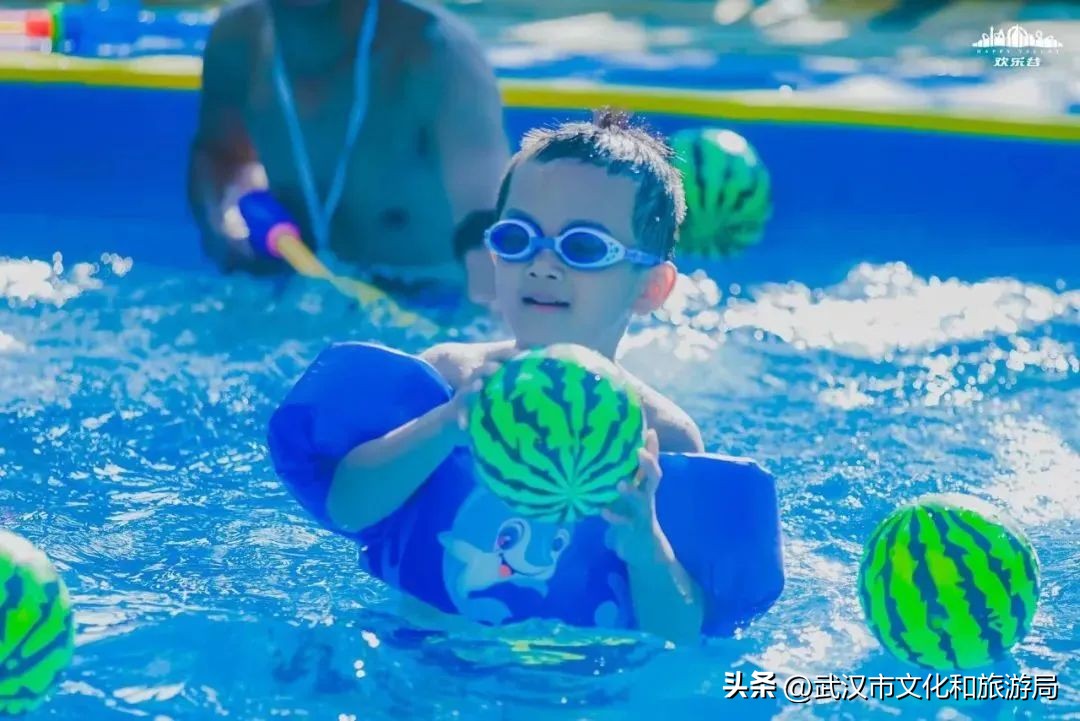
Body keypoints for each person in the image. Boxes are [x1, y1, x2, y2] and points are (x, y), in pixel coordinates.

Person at [326, 110, 709, 642]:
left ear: (649, 289)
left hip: (573, 683)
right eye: (517, 238)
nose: (542, 264)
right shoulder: (447, 379)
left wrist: (647, 546)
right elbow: (346, 507)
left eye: (583, 247)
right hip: (416, 651)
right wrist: (446, 424)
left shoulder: (660, 439)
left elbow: (682, 633)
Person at [186, 0, 509, 302]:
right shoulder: (238, 41)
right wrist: (226, 223)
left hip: (427, 300)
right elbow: (221, 156)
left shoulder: (437, 53)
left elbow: (488, 228)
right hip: (289, 292)